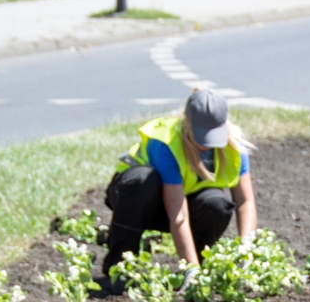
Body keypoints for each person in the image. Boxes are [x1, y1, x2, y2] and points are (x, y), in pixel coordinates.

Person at [102, 89, 258, 280]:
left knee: (217, 203)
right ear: (187, 123)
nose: (207, 144)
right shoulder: (166, 143)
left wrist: (247, 248)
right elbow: (178, 214)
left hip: (181, 201)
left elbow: (245, 202)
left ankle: (201, 267)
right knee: (144, 181)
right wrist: (189, 269)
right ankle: (119, 268)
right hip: (138, 200)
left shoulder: (234, 147)